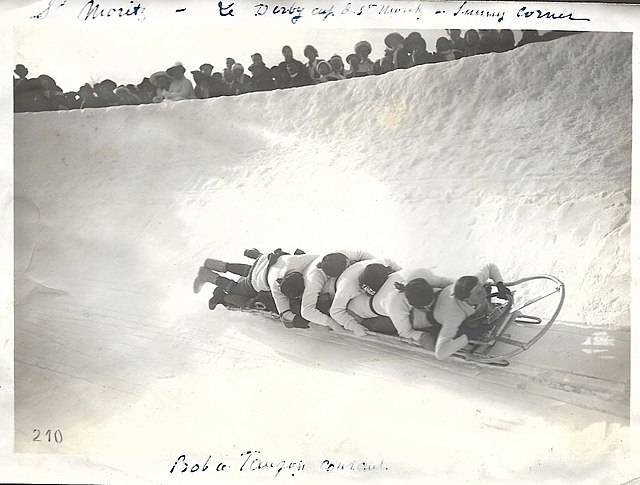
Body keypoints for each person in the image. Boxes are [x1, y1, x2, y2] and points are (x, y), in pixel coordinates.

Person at [193, 249, 318, 327]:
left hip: (263, 261)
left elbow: (318, 257)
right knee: (235, 288)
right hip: (255, 281)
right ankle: (207, 276)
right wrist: (297, 320)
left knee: (245, 269)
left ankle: (212, 263)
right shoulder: (275, 286)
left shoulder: (298, 261)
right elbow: (284, 313)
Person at [347, 268, 455, 343]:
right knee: (392, 326)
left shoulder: (421, 273)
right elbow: (405, 332)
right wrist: (422, 336)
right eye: (425, 307)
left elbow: (444, 281)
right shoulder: (395, 305)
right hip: (360, 312)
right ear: (411, 303)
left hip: (376, 296)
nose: (429, 308)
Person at [428, 263, 510, 360]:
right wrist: (469, 335)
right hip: (439, 314)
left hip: (446, 297)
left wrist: (500, 284)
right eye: (479, 293)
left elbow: (490, 266)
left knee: (483, 299)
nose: (484, 292)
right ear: (466, 300)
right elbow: (440, 353)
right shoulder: (454, 317)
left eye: (481, 288)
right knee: (472, 325)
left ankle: (480, 311)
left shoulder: (473, 284)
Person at [300, 250, 375, 331]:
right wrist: (331, 323)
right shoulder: (314, 280)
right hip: (316, 291)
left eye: (349, 263)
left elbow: (362, 254)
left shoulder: (341, 254)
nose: (351, 266)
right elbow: (306, 311)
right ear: (333, 275)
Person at [330, 259, 402, 336]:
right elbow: (335, 311)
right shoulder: (347, 287)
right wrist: (355, 327)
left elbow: (388, 261)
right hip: (341, 296)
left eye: (367, 292)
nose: (363, 292)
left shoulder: (380, 264)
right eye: (361, 289)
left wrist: (400, 271)